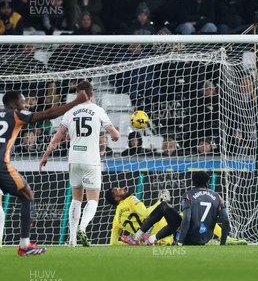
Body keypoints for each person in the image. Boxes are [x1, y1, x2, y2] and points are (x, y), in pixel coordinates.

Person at [1, 87, 89, 255]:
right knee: (27, 195)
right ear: (13, 104)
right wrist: (76, 101)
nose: (26, 104)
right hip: (1, 166)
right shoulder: (16, 114)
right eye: (22, 100)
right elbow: (48, 114)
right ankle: (24, 245)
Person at [39, 81, 120, 247]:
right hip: (91, 159)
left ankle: (72, 238)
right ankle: (83, 228)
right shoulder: (98, 110)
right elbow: (115, 134)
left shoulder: (70, 111)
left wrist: (46, 155)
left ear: (78, 95)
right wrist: (115, 136)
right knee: (93, 199)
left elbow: (58, 137)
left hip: (74, 158)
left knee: (76, 198)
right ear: (92, 94)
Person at [130, 171, 230, 246]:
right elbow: (225, 220)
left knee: (164, 207)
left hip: (189, 238)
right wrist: (223, 243)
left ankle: (138, 236)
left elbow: (186, 219)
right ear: (208, 183)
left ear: (194, 183)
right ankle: (152, 239)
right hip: (205, 238)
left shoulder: (188, 195)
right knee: (177, 221)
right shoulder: (217, 197)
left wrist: (180, 242)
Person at [104, 187, 173, 245]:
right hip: (162, 230)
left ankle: (139, 239)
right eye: (118, 190)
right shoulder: (131, 199)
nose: (121, 188)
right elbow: (146, 213)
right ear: (117, 198)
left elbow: (113, 243)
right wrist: (161, 201)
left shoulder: (116, 220)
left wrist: (128, 244)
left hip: (149, 240)